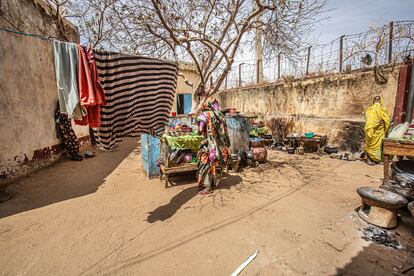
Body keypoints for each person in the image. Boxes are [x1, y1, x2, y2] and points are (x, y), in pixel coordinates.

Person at [196, 99, 230, 195]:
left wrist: (200, 130)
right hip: (220, 145)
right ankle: (214, 183)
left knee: (205, 164)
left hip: (209, 145)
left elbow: (200, 130)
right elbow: (224, 132)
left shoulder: (205, 115)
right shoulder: (220, 115)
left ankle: (207, 187)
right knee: (215, 164)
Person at [364, 95, 390, 165]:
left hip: (380, 131)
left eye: (378, 100)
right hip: (371, 130)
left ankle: (378, 159)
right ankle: (369, 159)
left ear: (380, 101)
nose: (376, 101)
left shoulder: (383, 110)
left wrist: (382, 121)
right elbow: (368, 119)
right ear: (373, 101)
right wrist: (373, 124)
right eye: (375, 100)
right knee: (370, 144)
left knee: (379, 145)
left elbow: (387, 119)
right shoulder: (369, 109)